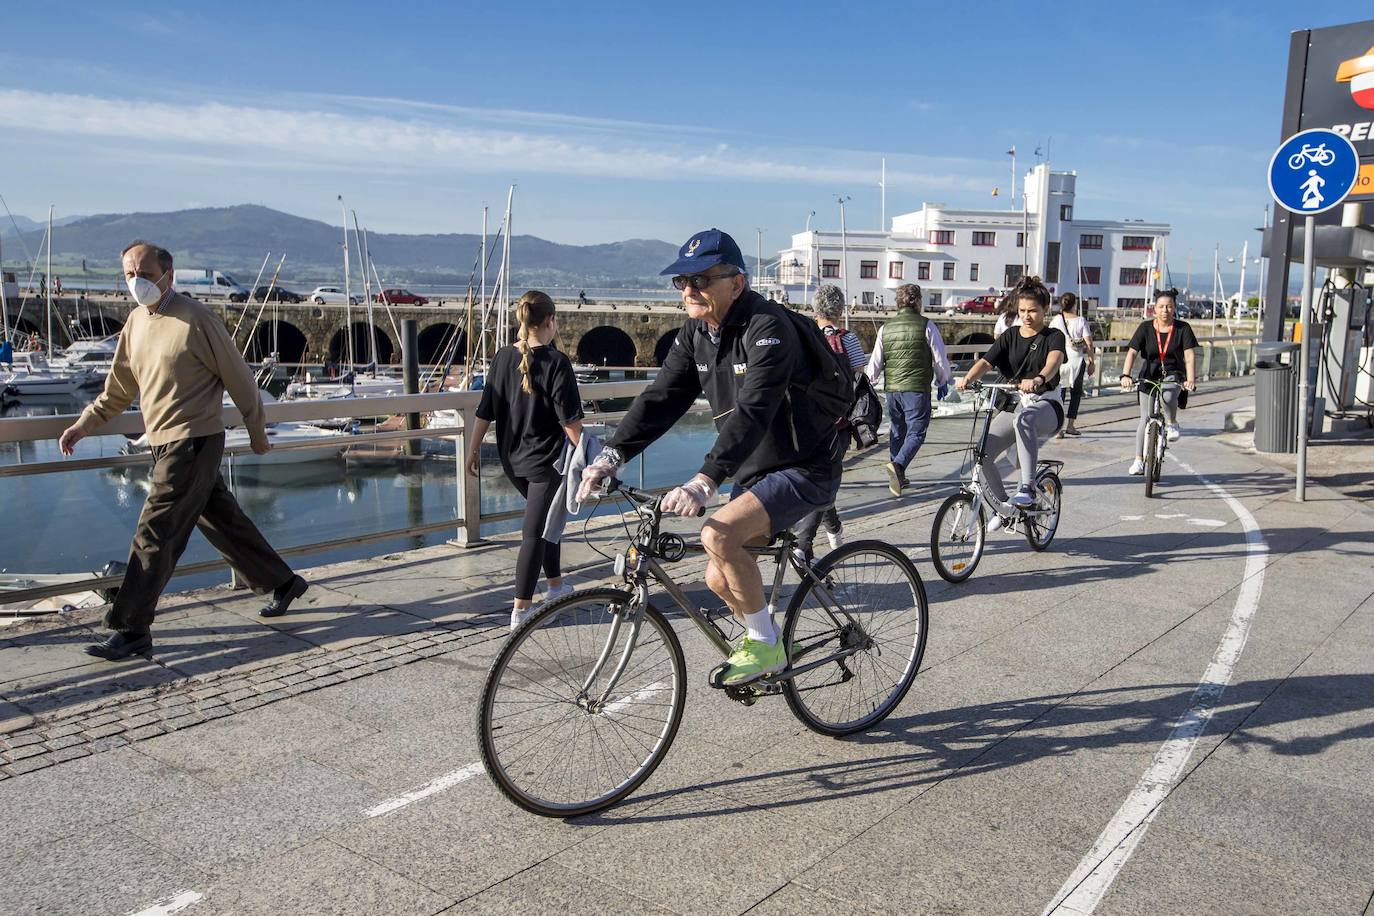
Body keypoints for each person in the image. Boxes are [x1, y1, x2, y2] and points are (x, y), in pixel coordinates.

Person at [577, 228, 844, 686]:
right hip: (756, 469)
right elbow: (661, 399)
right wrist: (612, 456)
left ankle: (762, 644)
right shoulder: (696, 333)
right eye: (682, 282)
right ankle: (775, 641)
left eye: (701, 280)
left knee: (718, 535)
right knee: (719, 580)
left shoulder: (768, 327)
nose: (689, 290)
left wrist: (705, 480)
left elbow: (756, 409)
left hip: (805, 464)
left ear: (736, 282)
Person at [58, 240, 308, 661]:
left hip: (193, 441)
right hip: (161, 442)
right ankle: (283, 583)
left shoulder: (197, 319)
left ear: (168, 275)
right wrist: (84, 425)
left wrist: (256, 431)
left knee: (154, 532)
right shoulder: (136, 324)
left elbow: (240, 379)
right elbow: (118, 391)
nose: (136, 282)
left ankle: (131, 627)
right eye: (128, 275)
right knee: (222, 522)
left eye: (144, 273)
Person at [467, 290, 584, 630]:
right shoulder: (556, 362)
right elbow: (571, 423)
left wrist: (472, 450)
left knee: (548, 523)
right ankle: (521, 610)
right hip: (545, 464)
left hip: (511, 460)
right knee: (534, 533)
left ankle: (557, 585)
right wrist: (594, 461)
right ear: (550, 321)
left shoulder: (503, 356)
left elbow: (484, 410)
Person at [955, 276, 1065, 515]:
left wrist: (1038, 379)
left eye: (1033, 311)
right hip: (1015, 404)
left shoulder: (1054, 336)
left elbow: (1054, 361)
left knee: (1024, 420)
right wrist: (967, 379)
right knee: (982, 453)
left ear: (1045, 309)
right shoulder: (1010, 335)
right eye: (1022, 310)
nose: (1026, 316)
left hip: (1046, 404)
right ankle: (1005, 507)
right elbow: (986, 361)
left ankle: (1027, 487)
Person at [793, 285, 865, 558]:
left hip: (807, 422)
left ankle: (832, 533)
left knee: (822, 478)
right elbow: (861, 377)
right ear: (841, 309)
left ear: (815, 309)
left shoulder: (804, 337)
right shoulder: (848, 339)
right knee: (825, 480)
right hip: (839, 423)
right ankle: (803, 545)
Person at [864, 283, 952, 496]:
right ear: (918, 301)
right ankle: (899, 466)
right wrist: (943, 381)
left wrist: (870, 383)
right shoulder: (926, 325)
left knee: (897, 430)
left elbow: (875, 363)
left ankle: (898, 478)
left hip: (892, 389)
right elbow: (940, 358)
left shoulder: (886, 328)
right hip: (916, 388)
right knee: (917, 432)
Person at [1120, 288, 1197, 475]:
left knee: (1169, 394)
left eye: (1169, 307)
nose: (1165, 311)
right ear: (1154, 309)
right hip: (1149, 373)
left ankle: (1171, 422)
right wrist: (1125, 375)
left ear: (1174, 308)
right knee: (1144, 418)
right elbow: (1132, 351)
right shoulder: (1145, 328)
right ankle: (1138, 460)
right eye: (1161, 307)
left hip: (1173, 372)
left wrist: (1190, 379)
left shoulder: (1182, 328)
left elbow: (1189, 356)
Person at [1050, 292, 1095, 437]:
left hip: (1060, 359)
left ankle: (1058, 428)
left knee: (1059, 393)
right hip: (1076, 360)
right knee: (1076, 394)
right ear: (1074, 304)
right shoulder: (1081, 320)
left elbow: (1049, 338)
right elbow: (1089, 343)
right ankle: (1070, 425)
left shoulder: (1056, 320)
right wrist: (1091, 362)